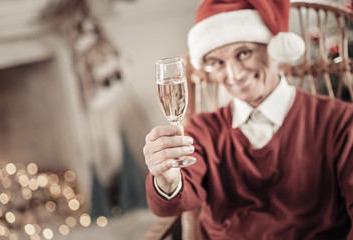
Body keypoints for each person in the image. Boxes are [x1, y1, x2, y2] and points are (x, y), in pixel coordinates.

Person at [143, 0, 353, 239]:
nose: (233, 74)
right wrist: (167, 179)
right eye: (218, 63)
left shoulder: (341, 122)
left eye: (243, 53)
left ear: (272, 47)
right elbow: (171, 203)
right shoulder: (202, 130)